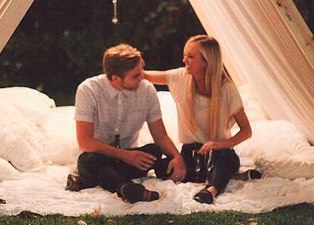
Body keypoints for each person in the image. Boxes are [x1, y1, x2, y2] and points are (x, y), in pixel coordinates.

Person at [69, 43, 186, 203]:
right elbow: (85, 142)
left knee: (154, 150)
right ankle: (125, 186)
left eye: (142, 72)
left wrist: (177, 157)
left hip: (129, 158)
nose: (143, 77)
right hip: (99, 156)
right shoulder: (88, 90)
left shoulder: (147, 90)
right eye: (136, 75)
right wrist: (125, 156)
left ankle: (100, 181)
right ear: (115, 78)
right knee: (89, 160)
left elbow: (160, 135)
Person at [144, 35, 252, 204]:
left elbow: (247, 131)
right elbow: (144, 75)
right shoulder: (180, 77)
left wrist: (218, 144)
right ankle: (233, 176)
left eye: (191, 56)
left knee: (228, 160)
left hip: (219, 152)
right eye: (185, 54)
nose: (184, 59)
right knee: (163, 168)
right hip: (190, 153)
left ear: (206, 61)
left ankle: (211, 190)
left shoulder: (227, 89)